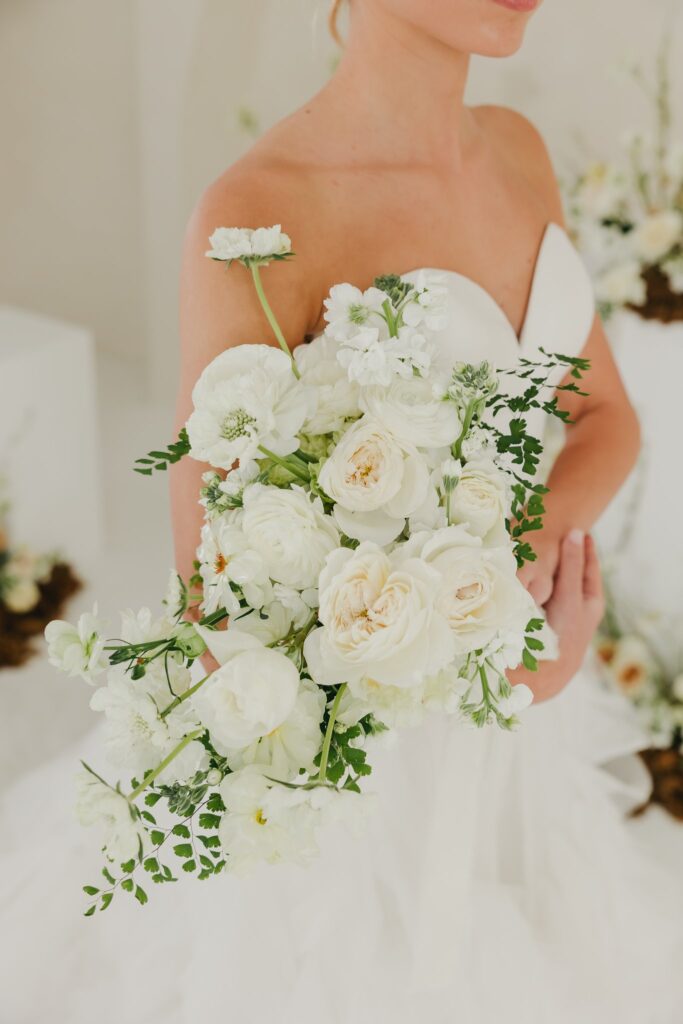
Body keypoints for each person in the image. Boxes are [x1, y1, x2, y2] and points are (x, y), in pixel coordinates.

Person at [1, 4, 681, 1023]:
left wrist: (523, 587)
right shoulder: (257, 211)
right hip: (356, 775)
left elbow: (605, 417)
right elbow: (220, 605)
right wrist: (468, 642)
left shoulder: (517, 149)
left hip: (525, 698)